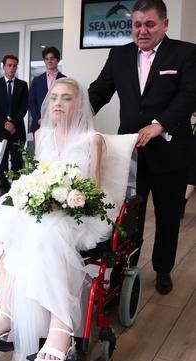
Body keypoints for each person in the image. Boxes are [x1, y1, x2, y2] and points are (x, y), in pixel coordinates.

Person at [0, 78, 110, 361]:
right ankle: (6, 311)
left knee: (48, 232)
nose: (58, 103)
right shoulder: (42, 135)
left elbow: (96, 188)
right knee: (2, 223)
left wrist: (66, 198)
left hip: (76, 211)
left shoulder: (93, 140)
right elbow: (36, 174)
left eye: (66, 98)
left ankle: (61, 327)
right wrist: (31, 193)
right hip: (42, 207)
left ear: (80, 103)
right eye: (54, 97)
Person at [88, 0, 196, 294]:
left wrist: (160, 124)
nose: (142, 30)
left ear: (164, 24)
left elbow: (189, 96)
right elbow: (99, 92)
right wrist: (75, 117)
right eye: (137, 24)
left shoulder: (185, 53)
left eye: (149, 24)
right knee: (128, 213)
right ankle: (125, 267)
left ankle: (162, 269)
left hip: (170, 151)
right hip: (129, 152)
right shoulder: (119, 55)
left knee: (168, 213)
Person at [0, 54, 29, 192]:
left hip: (17, 129)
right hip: (0, 128)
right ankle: (4, 187)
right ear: (4, 67)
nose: (12, 68)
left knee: (17, 160)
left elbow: (24, 107)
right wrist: (6, 123)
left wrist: (13, 123)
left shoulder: (23, 85)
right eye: (9, 65)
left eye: (14, 66)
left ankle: (17, 189)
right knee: (2, 160)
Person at [29, 46, 66, 139]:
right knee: (39, 153)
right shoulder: (37, 80)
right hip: (39, 125)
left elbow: (66, 102)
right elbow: (31, 102)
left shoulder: (65, 80)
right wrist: (38, 119)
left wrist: (59, 120)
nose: (49, 61)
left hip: (59, 124)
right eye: (47, 59)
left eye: (52, 58)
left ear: (57, 60)